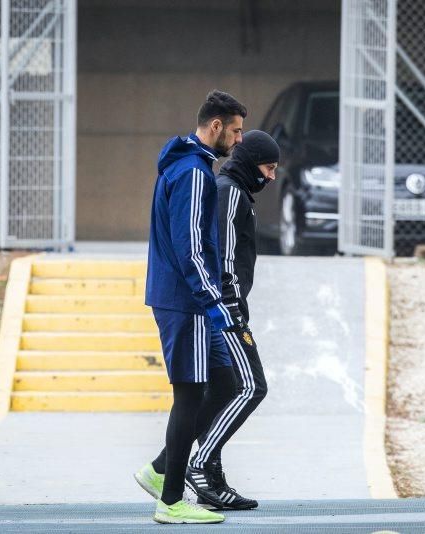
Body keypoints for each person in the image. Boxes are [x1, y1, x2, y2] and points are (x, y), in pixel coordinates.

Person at [135, 90, 247, 525]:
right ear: (215, 126)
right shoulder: (194, 174)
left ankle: (161, 468)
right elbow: (191, 249)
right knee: (189, 395)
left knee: (224, 381)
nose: (239, 140)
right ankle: (171, 500)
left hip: (187, 301)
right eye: (235, 131)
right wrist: (212, 302)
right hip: (187, 303)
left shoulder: (187, 166)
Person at [184, 130, 279, 510]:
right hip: (226, 310)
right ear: (250, 161)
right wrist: (232, 307)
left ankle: (212, 478)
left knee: (224, 389)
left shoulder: (237, 191)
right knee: (252, 387)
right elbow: (222, 256)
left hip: (226, 308)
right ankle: (201, 462)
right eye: (268, 168)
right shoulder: (231, 192)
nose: (271, 176)